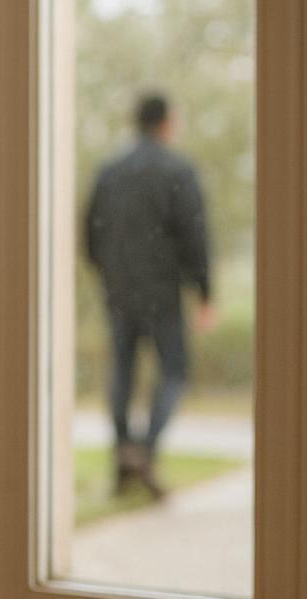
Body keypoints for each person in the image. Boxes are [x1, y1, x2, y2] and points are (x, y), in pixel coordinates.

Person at [84, 92, 213, 498]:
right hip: (161, 290)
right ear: (167, 122)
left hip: (119, 288)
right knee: (173, 371)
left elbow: (90, 232)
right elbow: (194, 233)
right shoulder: (176, 169)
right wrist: (205, 290)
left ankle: (125, 455)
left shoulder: (110, 171)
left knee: (122, 372)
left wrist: (108, 273)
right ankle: (145, 450)